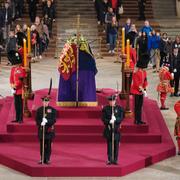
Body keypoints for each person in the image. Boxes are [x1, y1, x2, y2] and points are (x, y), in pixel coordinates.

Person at [102, 95, 124, 165]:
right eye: (110, 101)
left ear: (115, 101)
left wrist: (116, 119)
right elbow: (103, 118)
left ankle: (115, 159)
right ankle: (109, 159)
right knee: (109, 145)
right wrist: (109, 121)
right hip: (109, 129)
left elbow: (121, 118)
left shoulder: (119, 108)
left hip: (116, 130)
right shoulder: (105, 109)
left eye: (113, 101)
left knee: (116, 146)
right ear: (109, 101)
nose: (112, 102)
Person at [35, 96, 57, 164]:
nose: (45, 103)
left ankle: (47, 159)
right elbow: (37, 120)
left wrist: (47, 121)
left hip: (49, 131)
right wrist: (41, 123)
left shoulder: (53, 110)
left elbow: (54, 120)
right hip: (42, 130)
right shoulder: (39, 110)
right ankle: (42, 158)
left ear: (49, 102)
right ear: (42, 102)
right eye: (44, 101)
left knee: (48, 146)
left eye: (47, 101)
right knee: (42, 145)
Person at [9, 51, 26, 123]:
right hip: (14, 89)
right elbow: (11, 78)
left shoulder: (22, 69)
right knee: (16, 105)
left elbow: (21, 80)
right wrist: (12, 85)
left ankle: (20, 119)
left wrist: (15, 86)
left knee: (20, 105)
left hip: (19, 90)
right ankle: (17, 118)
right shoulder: (13, 69)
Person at [131, 59, 148, 125]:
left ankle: (139, 119)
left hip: (141, 91)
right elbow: (136, 83)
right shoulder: (136, 73)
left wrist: (145, 88)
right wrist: (142, 89)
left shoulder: (144, 72)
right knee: (136, 106)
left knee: (140, 106)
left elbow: (145, 80)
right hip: (136, 91)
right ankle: (136, 120)